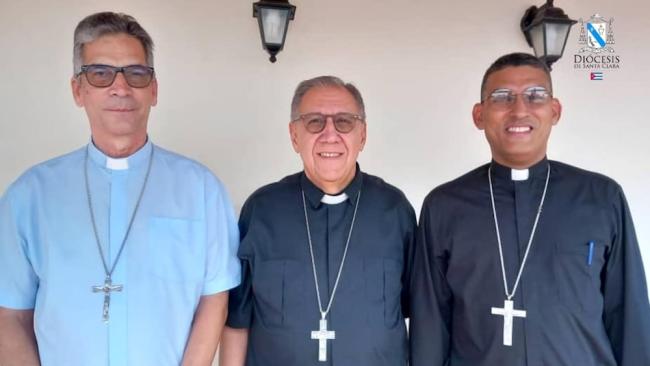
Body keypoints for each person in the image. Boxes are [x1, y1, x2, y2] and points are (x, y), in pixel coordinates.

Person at [0, 12, 240, 366]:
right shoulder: (29, 196)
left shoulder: (201, 189)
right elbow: (11, 314)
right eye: (100, 74)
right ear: (77, 90)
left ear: (154, 90)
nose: (121, 87)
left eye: (136, 74)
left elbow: (214, 298)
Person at [409, 52, 650, 366]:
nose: (519, 109)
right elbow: (430, 323)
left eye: (535, 96)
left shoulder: (601, 198)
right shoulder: (444, 206)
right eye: (502, 97)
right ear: (479, 116)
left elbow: (629, 316)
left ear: (555, 110)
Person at [219, 76, 416, 366]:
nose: (330, 134)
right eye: (314, 122)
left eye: (344, 122)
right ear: (294, 135)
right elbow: (237, 321)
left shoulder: (395, 210)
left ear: (362, 135)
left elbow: (416, 310)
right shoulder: (262, 210)